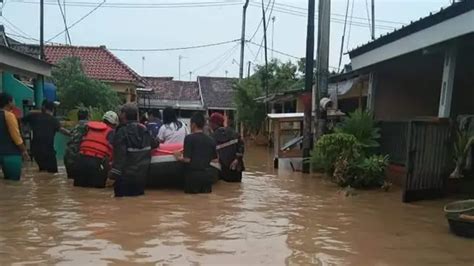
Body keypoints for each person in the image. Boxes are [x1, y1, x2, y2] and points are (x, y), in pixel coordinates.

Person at [110, 104, 155, 197]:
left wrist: (113, 175)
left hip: (125, 178)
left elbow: (119, 156)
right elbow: (154, 144)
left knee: (120, 206)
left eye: (120, 113)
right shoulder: (145, 129)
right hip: (141, 178)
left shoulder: (121, 132)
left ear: (124, 115)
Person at [74, 111, 119, 188]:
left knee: (78, 191)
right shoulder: (112, 133)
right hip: (97, 163)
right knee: (96, 193)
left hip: (80, 161)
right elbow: (114, 155)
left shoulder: (89, 128)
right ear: (114, 124)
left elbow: (78, 144)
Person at [175, 112, 218, 194]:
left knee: (192, 202)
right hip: (207, 177)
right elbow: (215, 160)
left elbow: (187, 160)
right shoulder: (211, 140)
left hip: (193, 177)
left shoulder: (189, 138)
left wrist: (178, 157)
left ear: (193, 124)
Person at [22, 100, 69, 173]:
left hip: (35, 150)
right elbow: (62, 130)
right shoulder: (53, 120)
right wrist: (72, 134)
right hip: (48, 151)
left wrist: (25, 130)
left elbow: (22, 121)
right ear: (53, 109)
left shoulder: (33, 116)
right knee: (53, 174)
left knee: (43, 170)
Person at [0, 93, 29, 180]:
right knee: (13, 184)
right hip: (10, 155)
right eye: (13, 100)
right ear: (9, 102)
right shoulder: (9, 115)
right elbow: (16, 136)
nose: (14, 102)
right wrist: (24, 150)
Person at [209, 113, 245, 182]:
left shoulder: (211, 138)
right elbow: (241, 147)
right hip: (236, 170)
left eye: (210, 122)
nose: (209, 124)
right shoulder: (234, 133)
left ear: (214, 124)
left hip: (222, 171)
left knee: (223, 189)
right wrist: (237, 159)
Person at [64, 109, 89, 179]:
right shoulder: (89, 126)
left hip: (68, 154)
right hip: (79, 155)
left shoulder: (75, 127)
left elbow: (70, 135)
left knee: (70, 182)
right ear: (87, 117)